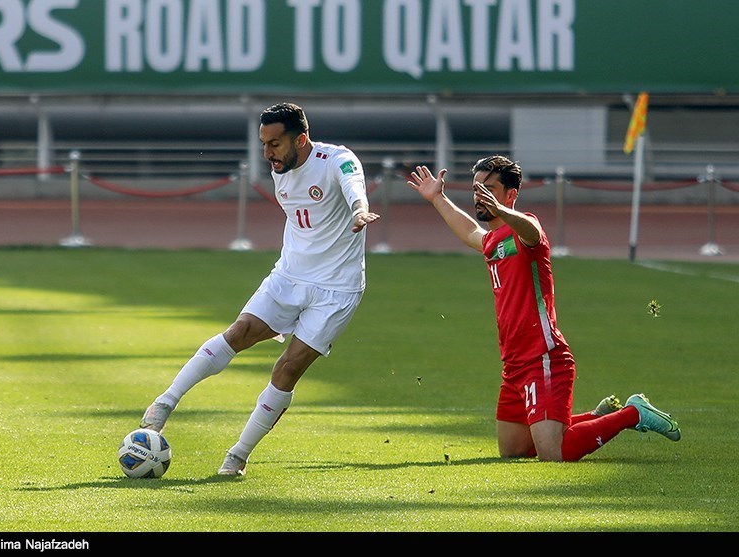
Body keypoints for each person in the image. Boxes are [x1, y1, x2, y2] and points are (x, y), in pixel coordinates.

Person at [140, 102, 380, 476]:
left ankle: (236, 457)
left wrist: (359, 210)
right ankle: (162, 405)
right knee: (238, 332)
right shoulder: (280, 167)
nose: (267, 153)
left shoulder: (337, 159)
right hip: (288, 276)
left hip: (336, 288)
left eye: (274, 144)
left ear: (301, 139)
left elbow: (353, 185)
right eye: (263, 144)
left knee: (287, 369)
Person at [407, 155, 680, 462]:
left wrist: (504, 212)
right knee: (514, 450)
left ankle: (632, 413)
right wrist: (438, 198)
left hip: (543, 356)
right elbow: (472, 232)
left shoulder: (526, 228)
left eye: (489, 188)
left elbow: (531, 231)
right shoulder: (494, 240)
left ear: (511, 194)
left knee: (554, 454)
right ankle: (598, 415)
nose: (479, 195)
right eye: (476, 188)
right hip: (514, 364)